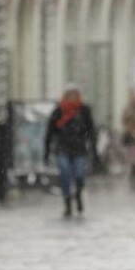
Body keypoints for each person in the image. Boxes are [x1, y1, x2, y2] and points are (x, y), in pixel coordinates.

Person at [44, 85, 97, 218]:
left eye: (75, 94)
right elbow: (50, 132)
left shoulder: (84, 111)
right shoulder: (59, 111)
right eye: (70, 95)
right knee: (65, 173)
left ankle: (78, 194)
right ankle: (67, 201)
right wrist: (47, 150)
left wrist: (93, 148)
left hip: (79, 149)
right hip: (63, 148)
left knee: (79, 174)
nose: (72, 97)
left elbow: (91, 130)